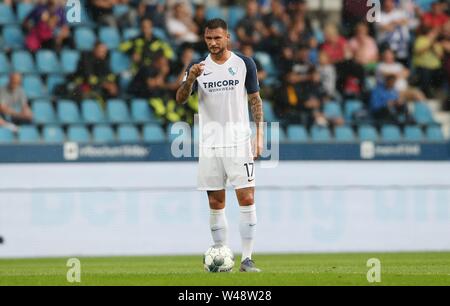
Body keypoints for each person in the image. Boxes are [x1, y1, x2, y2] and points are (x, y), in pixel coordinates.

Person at [175, 19, 264, 273]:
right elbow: (180, 99)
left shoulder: (244, 64)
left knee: (246, 197)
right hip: (210, 143)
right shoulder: (198, 67)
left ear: (227, 37)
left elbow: (255, 100)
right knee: (216, 202)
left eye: (217, 38)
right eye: (208, 39)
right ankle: (222, 254)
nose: (212, 43)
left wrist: (259, 135)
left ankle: (247, 259)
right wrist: (190, 79)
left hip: (238, 140)